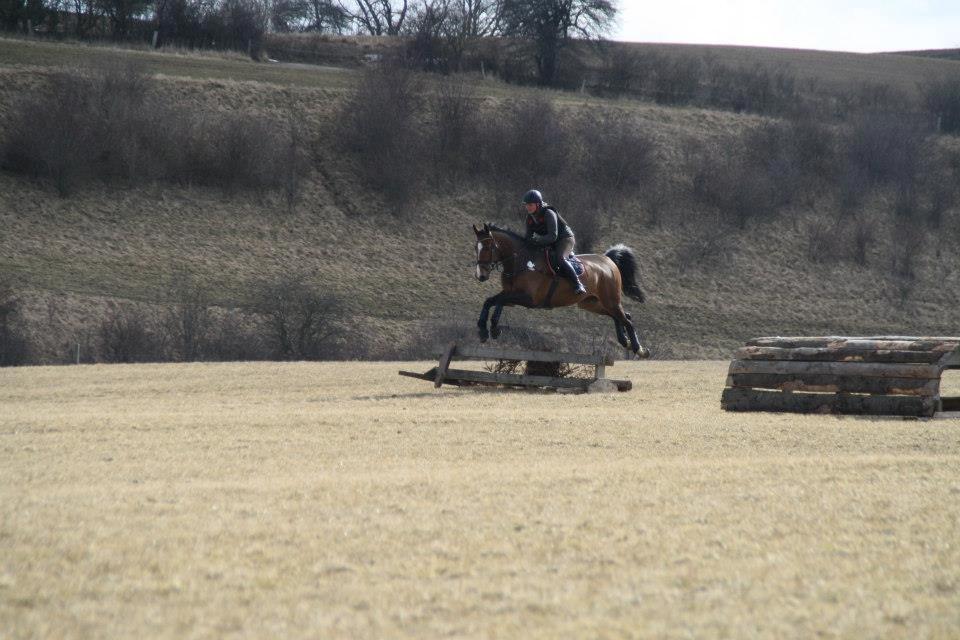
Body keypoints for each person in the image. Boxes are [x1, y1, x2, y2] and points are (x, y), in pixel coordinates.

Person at [522, 189, 586, 295]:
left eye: (530, 204)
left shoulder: (548, 213)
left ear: (538, 204)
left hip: (564, 239)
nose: (528, 207)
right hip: (549, 241)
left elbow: (553, 236)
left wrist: (536, 240)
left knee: (560, 258)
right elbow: (528, 238)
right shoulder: (529, 218)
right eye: (526, 205)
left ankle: (578, 284)